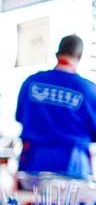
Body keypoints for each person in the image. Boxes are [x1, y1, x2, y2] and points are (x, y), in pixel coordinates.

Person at [16, 34, 96, 180]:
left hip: (33, 162)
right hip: (73, 165)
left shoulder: (31, 82)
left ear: (58, 53)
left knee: (32, 203)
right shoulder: (89, 90)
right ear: (79, 56)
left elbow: (20, 117)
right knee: (72, 203)